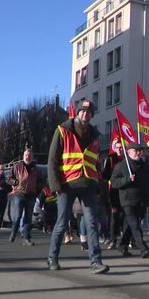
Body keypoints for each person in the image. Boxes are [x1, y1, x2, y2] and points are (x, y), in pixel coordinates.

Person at [46, 100, 109, 273]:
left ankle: (96, 261)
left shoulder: (95, 135)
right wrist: (55, 184)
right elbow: (52, 160)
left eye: (89, 112)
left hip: (88, 183)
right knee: (61, 223)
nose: (85, 115)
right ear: (77, 112)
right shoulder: (63, 131)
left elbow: (95, 162)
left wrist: (98, 184)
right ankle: (52, 257)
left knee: (91, 223)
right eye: (82, 111)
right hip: (67, 183)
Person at [110, 142, 149, 257]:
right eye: (135, 151)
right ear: (128, 152)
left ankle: (122, 246)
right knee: (134, 224)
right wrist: (127, 179)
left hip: (141, 200)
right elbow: (114, 182)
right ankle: (143, 248)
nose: (138, 153)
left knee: (132, 224)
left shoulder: (144, 166)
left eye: (140, 151)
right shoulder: (121, 166)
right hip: (127, 200)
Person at [8, 148, 43, 246]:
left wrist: (37, 191)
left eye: (29, 155)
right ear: (23, 156)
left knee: (28, 218)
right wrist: (14, 182)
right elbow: (9, 178)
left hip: (31, 195)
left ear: (32, 157)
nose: (28, 157)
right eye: (26, 155)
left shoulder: (36, 169)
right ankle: (14, 231)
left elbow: (40, 182)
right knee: (18, 215)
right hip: (19, 193)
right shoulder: (17, 166)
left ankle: (26, 238)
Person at [102, 139, 124, 249]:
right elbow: (105, 175)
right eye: (118, 147)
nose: (120, 149)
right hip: (114, 191)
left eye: (121, 147)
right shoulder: (111, 159)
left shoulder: (127, 159)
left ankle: (129, 240)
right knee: (114, 216)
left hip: (126, 191)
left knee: (127, 216)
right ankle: (112, 240)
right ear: (115, 148)